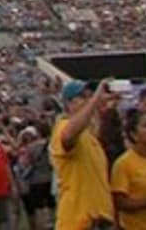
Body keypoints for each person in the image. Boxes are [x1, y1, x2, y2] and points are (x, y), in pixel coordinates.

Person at [50, 80, 115, 230]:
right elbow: (69, 135)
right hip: (78, 221)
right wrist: (94, 101)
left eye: (89, 96)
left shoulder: (90, 138)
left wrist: (104, 105)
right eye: (82, 97)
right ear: (68, 104)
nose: (88, 100)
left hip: (99, 220)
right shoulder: (62, 127)